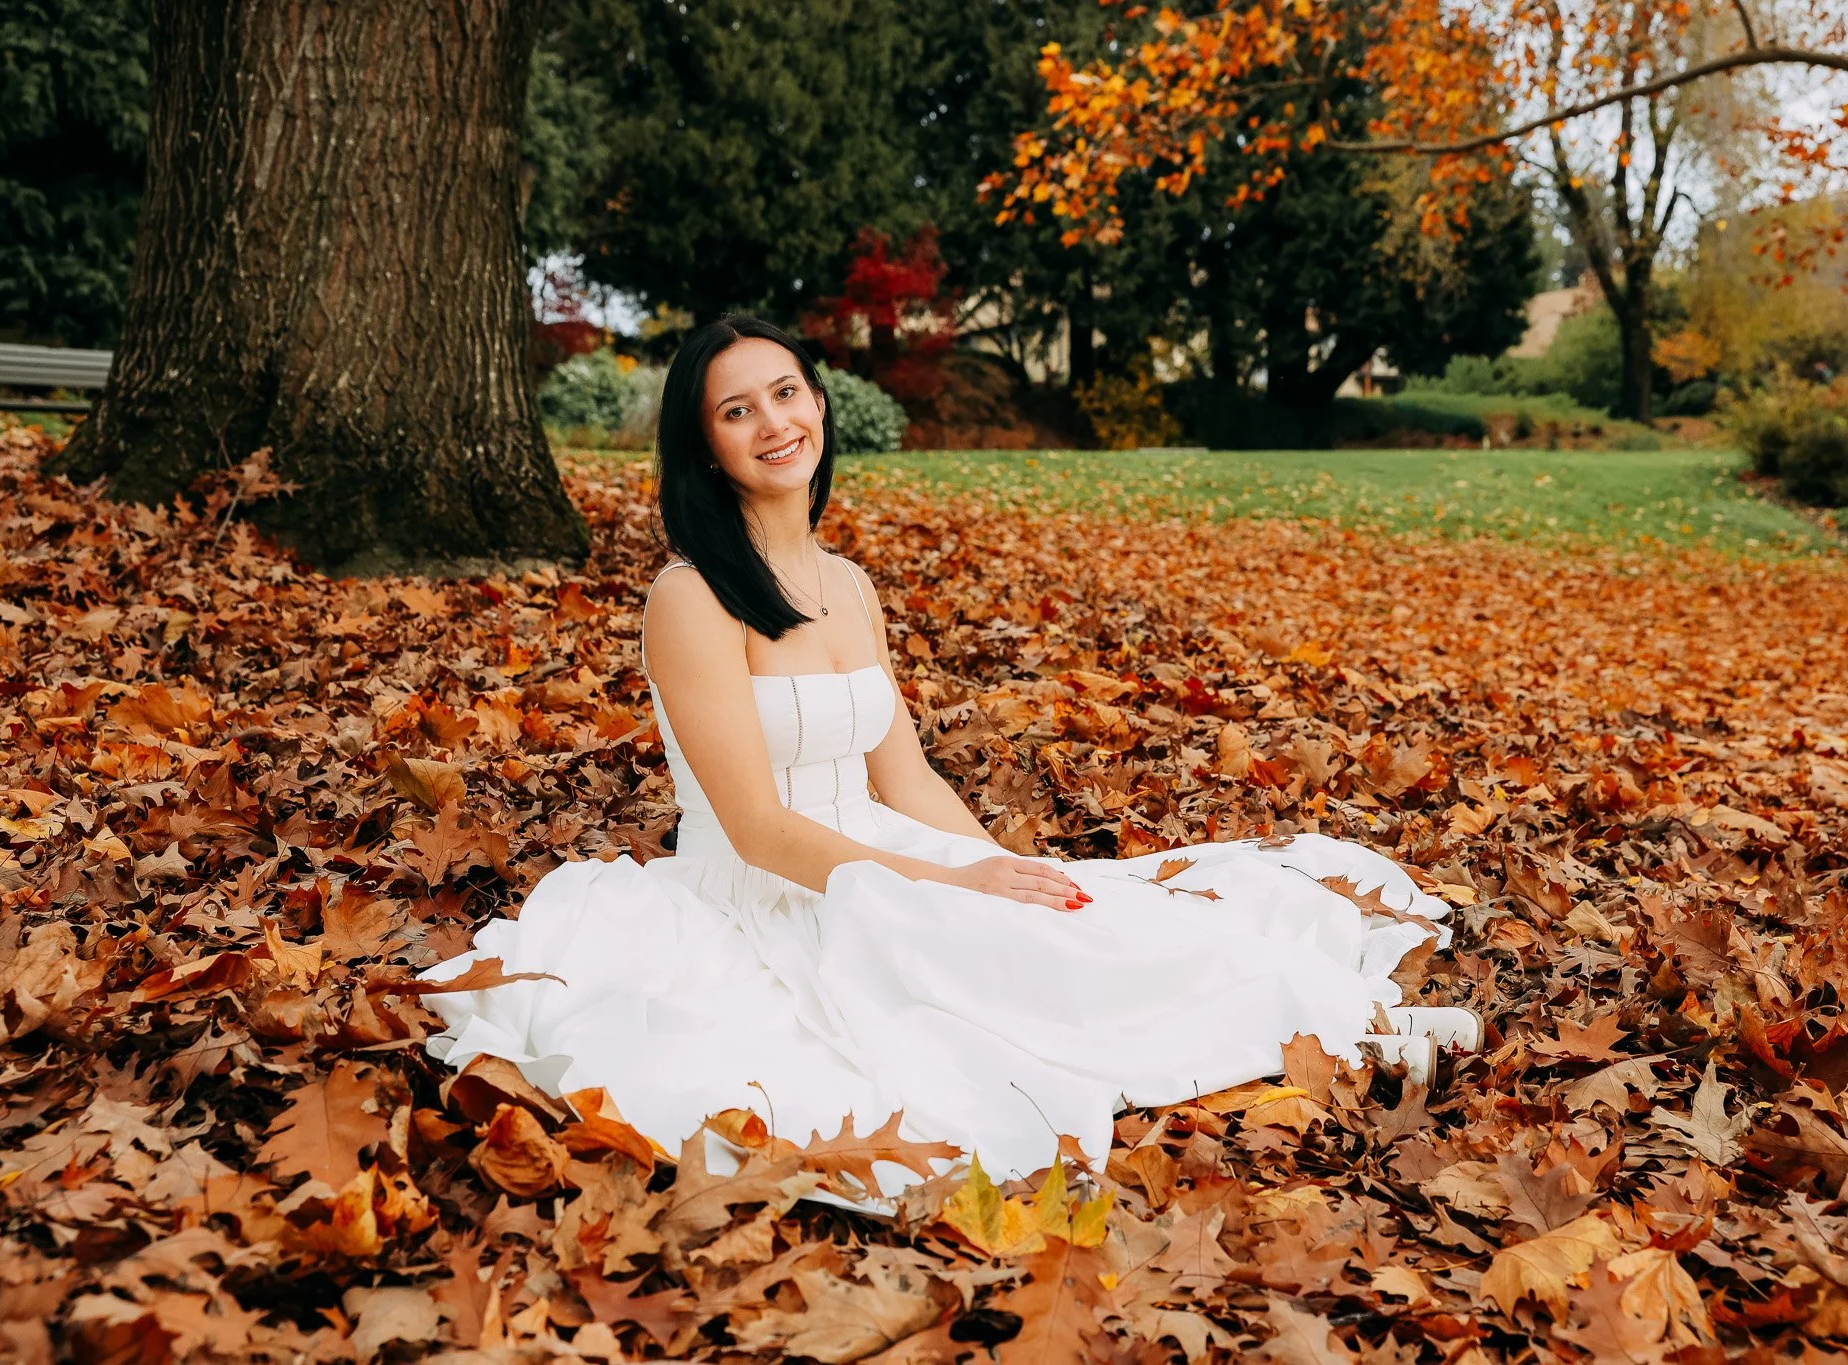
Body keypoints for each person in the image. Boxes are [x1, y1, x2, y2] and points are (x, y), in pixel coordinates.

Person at [423, 315, 1476, 1191]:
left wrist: (1009, 877)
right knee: (974, 998)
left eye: (785, 393)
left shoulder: (846, 584)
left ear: (819, 406)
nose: (772, 423)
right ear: (705, 446)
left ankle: (1340, 1018)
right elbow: (754, 827)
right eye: (736, 410)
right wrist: (941, 882)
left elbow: (904, 775)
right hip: (771, 887)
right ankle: (1325, 1031)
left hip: (880, 841)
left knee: (1075, 923)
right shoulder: (690, 595)